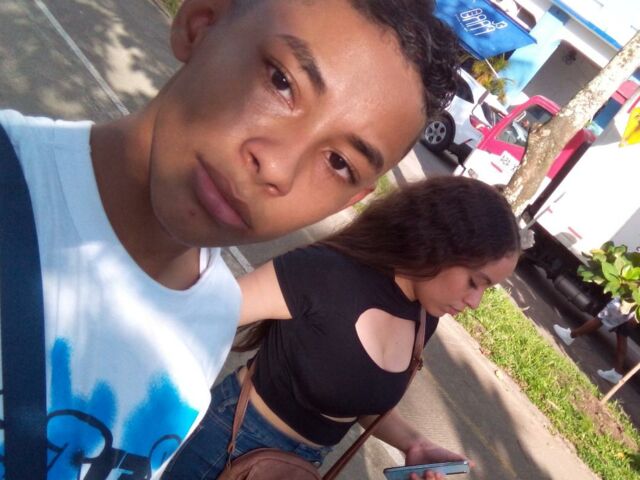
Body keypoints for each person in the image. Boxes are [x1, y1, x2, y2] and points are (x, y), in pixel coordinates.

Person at [0, 0, 459, 476]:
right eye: (282, 82)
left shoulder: (215, 314)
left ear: (351, 200)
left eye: (339, 163)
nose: (277, 167)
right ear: (201, 22)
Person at [162, 176, 521, 480]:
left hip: (297, 468)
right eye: (475, 281)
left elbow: (355, 397)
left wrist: (415, 444)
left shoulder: (425, 317)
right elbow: (197, 315)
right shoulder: (324, 272)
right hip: (225, 443)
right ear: (438, 245)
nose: (475, 302)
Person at [553, 298, 638, 384]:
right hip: (634, 308)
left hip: (628, 301)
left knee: (601, 318)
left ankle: (570, 336)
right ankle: (616, 373)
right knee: (622, 333)